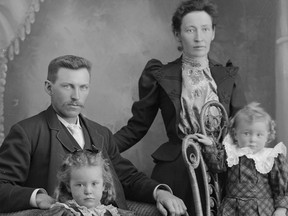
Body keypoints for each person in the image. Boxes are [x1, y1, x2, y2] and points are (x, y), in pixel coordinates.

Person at [0, 55, 187, 216]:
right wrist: (38, 197)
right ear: (49, 88)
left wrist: (160, 192)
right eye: (67, 86)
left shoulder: (100, 133)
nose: (76, 96)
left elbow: (128, 177)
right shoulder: (26, 132)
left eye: (83, 87)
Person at [113, 0, 246, 214]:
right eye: (190, 30)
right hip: (176, 170)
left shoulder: (228, 76)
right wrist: (98, 146)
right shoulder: (161, 75)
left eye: (205, 29)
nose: (198, 37)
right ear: (177, 34)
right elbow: (136, 127)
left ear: (213, 32)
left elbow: (243, 129)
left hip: (222, 169)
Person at [50, 150, 134, 216]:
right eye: (80, 185)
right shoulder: (65, 212)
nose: (88, 191)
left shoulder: (112, 212)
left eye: (94, 184)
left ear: (103, 185)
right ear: (69, 186)